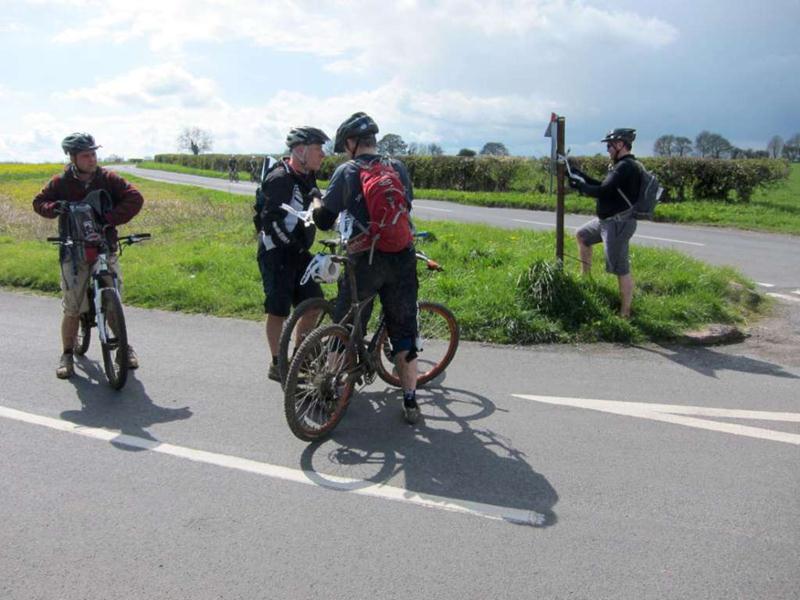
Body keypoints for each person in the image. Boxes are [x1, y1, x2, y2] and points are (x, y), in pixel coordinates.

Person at [310, 112, 421, 424]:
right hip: (401, 257)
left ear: (351, 143)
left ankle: (329, 388)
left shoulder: (347, 171)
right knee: (404, 330)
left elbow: (324, 220)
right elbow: (406, 206)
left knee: (346, 322)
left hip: (365, 260)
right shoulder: (398, 167)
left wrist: (316, 198)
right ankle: (410, 401)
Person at [33, 132, 144, 379]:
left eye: (94, 154)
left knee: (113, 300)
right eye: (86, 155)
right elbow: (39, 202)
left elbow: (135, 197)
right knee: (73, 307)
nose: (92, 159)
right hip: (74, 250)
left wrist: (109, 218)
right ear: (73, 158)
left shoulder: (108, 178)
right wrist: (55, 207)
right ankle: (67, 354)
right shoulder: (60, 182)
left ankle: (124, 348)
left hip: (104, 246)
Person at [256, 126, 329, 382]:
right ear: (300, 150)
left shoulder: (307, 176)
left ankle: (300, 359)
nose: (323, 155)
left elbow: (312, 209)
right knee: (278, 310)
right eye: (318, 149)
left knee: (313, 304)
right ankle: (278, 364)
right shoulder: (280, 179)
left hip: (298, 253)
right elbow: (271, 223)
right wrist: (294, 247)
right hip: (276, 254)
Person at [568, 128, 641, 318]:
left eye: (609, 145)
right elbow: (604, 186)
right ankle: (586, 279)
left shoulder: (626, 167)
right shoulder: (620, 166)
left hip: (618, 224)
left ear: (620, 144)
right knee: (583, 235)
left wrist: (581, 185)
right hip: (606, 221)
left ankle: (625, 312)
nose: (607, 149)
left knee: (620, 268)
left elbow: (602, 192)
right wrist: (580, 176)